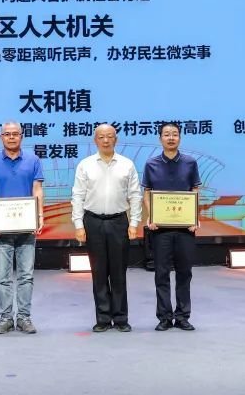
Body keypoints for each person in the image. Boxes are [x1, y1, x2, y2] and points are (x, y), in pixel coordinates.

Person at [70, 123, 143, 332]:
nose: (105, 140)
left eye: (110, 136)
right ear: (95, 140)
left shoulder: (127, 164)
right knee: (98, 271)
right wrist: (78, 224)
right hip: (92, 222)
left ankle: (120, 318)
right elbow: (77, 196)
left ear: (115, 139)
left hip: (119, 222)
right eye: (101, 137)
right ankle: (102, 318)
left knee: (119, 272)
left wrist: (134, 223)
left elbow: (135, 195)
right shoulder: (85, 165)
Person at [0, 121, 45, 335]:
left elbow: (37, 190)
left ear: (21, 136)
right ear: (1, 137)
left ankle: (24, 317)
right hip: (1, 230)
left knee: (26, 276)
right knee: (3, 278)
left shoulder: (33, 160)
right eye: (7, 134)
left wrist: (39, 216)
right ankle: (6, 318)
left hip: (27, 228)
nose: (11, 137)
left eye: (15, 134)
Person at [142, 122, 201, 331]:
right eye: (166, 134)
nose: (171, 138)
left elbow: (195, 191)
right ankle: (165, 317)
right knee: (161, 274)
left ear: (180, 138)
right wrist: (151, 216)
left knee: (185, 273)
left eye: (175, 134)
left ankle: (183, 316)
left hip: (185, 228)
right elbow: (147, 193)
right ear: (160, 139)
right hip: (160, 229)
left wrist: (194, 217)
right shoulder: (151, 164)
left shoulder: (190, 162)